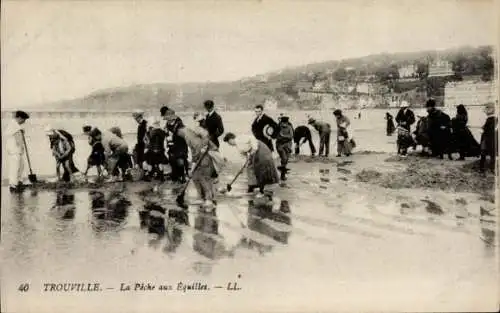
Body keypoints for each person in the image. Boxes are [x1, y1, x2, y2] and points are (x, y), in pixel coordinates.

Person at [165, 108, 225, 209]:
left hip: (205, 156)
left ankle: (209, 200)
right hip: (200, 155)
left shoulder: (187, 134)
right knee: (195, 176)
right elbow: (194, 150)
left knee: (204, 177)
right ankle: (203, 197)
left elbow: (202, 140)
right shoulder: (186, 134)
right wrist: (193, 162)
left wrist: (200, 152)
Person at [6, 110, 30, 192]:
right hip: (14, 150)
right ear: (19, 118)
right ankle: (13, 185)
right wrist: (22, 147)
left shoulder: (14, 125)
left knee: (21, 166)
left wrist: (21, 131)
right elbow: (18, 139)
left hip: (15, 150)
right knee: (15, 167)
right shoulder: (14, 125)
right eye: (24, 119)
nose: (24, 121)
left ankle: (19, 182)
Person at [479, 102, 497, 173]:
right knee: (492, 154)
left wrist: (483, 128)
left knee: (483, 153)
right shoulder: (494, 119)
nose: (485, 110)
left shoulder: (490, 119)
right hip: (491, 138)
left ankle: (482, 168)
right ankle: (492, 168)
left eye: (486, 108)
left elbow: (485, 129)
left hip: (487, 139)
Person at [275, 115, 294, 181]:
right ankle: (282, 172)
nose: (284, 124)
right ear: (281, 122)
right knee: (284, 158)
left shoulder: (289, 127)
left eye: (286, 123)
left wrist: (283, 136)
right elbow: (277, 137)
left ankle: (282, 175)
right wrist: (285, 137)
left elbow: (291, 137)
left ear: (287, 122)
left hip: (288, 145)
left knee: (285, 160)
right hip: (280, 145)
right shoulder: (278, 127)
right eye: (283, 123)